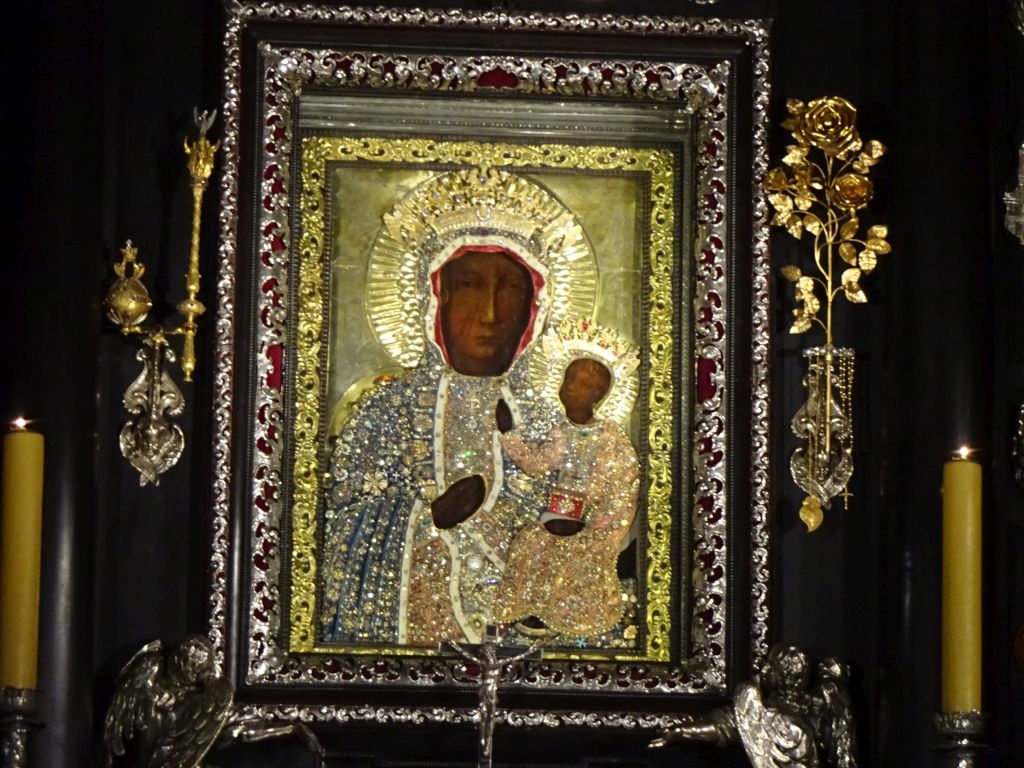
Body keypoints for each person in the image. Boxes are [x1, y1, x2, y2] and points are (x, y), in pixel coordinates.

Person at [318, 167, 597, 646]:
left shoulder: (552, 421)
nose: (489, 314)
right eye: (469, 286)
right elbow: (336, 532)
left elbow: (589, 530)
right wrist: (427, 517)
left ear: (535, 309)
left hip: (525, 646)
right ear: (437, 299)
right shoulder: (386, 410)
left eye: (510, 290)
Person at [493, 321, 640, 638]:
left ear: (599, 394)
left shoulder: (612, 440)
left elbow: (621, 496)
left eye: (581, 383)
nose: (570, 388)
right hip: (555, 517)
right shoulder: (562, 431)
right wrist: (508, 435)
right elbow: (539, 463)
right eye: (568, 379)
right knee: (529, 544)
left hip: (593, 529)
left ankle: (566, 620)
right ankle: (530, 612)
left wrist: (590, 528)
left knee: (574, 559)